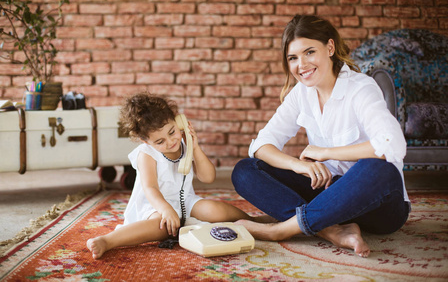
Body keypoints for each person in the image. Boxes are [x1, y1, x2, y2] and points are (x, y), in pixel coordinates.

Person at [231, 14, 410, 258]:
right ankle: (330, 230)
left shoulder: (361, 88)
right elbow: (262, 145)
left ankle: (281, 230)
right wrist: (299, 166)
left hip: (376, 205)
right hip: (327, 195)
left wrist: (326, 153)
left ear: (330, 47)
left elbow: (393, 144)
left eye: (309, 52)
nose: (301, 64)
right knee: (245, 170)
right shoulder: (301, 94)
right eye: (293, 58)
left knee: (381, 168)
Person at [87, 92, 254, 259]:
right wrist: (166, 209)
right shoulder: (146, 154)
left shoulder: (184, 143)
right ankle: (107, 241)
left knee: (214, 210)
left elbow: (208, 177)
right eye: (160, 142)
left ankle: (254, 223)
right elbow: (150, 188)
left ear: (177, 120)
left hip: (184, 201)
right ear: (146, 141)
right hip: (155, 206)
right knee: (162, 227)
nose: (170, 142)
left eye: (172, 132)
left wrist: (194, 148)